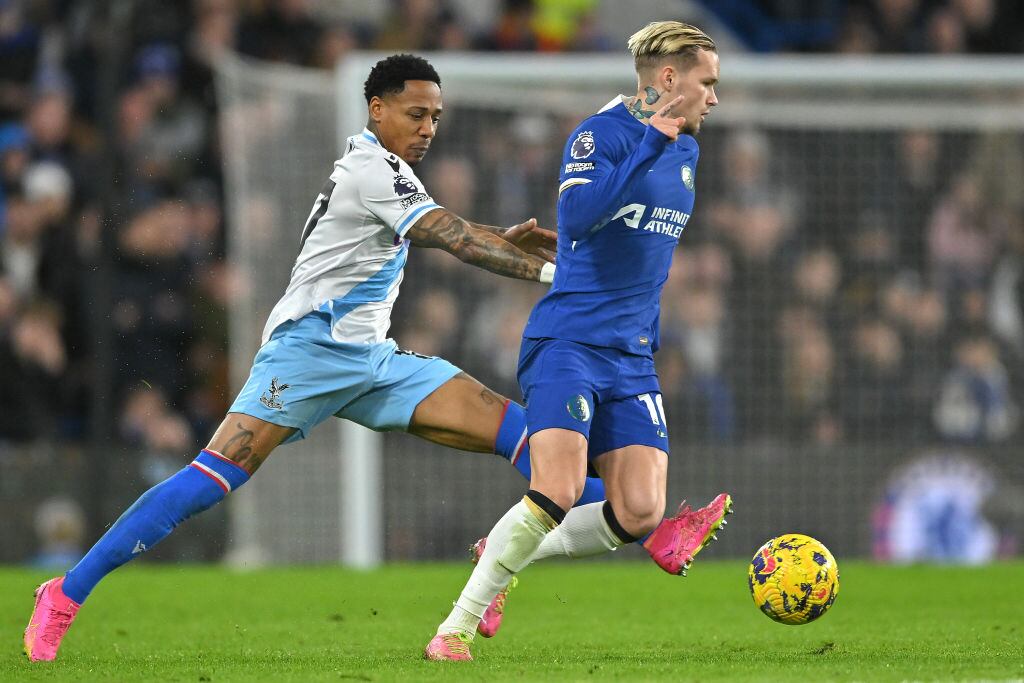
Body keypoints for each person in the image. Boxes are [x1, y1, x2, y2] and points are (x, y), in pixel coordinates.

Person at [23, 53, 716, 663]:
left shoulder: (389, 171)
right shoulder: (369, 168)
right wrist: (559, 275)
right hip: (304, 356)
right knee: (205, 483)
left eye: (437, 117)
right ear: (376, 109)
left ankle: (626, 532)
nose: (428, 128)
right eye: (416, 114)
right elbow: (452, 237)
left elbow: (453, 224)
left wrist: (501, 234)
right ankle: (65, 591)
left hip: (374, 362)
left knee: (532, 444)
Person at [425, 22, 733, 661]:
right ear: (668, 80)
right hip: (567, 341)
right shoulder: (600, 135)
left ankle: (505, 549)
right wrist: (650, 141)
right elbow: (579, 216)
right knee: (557, 491)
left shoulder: (689, 151)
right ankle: (453, 629)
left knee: (641, 512)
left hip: (631, 354)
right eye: (708, 82)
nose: (714, 98)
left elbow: (632, 246)